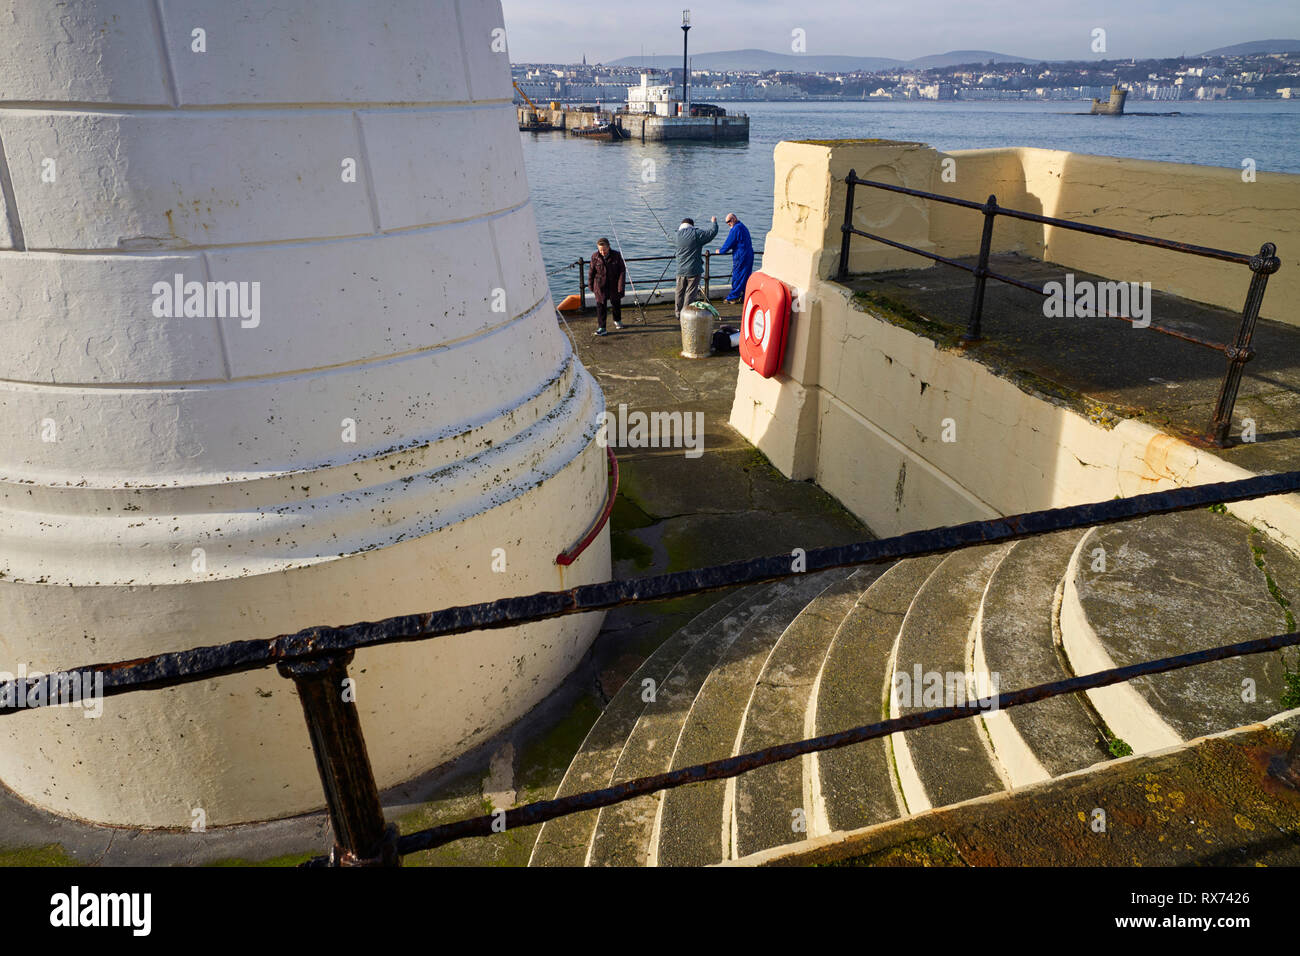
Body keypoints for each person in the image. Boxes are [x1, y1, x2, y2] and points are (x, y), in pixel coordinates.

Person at [674, 216, 718, 318]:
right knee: (690, 293)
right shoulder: (697, 234)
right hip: (694, 270)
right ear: (692, 226)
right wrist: (714, 223)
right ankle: (685, 313)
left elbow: (668, 237)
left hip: (680, 269)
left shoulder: (677, 235)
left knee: (679, 292)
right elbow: (712, 233)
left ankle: (677, 313)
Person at [588, 237, 625, 336]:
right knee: (600, 306)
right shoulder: (594, 257)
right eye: (600, 250)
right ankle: (602, 327)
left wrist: (620, 286)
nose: (602, 252)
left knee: (616, 303)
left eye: (604, 249)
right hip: (600, 286)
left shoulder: (616, 255)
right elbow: (591, 272)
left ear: (609, 247)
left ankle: (617, 320)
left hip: (614, 284)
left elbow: (622, 271)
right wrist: (591, 285)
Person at [716, 213, 754, 304]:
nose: (728, 224)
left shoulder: (736, 228)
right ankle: (745, 297)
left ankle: (733, 297)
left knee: (737, 276)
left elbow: (729, 242)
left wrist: (721, 251)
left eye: (729, 221)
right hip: (749, 254)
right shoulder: (743, 227)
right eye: (726, 222)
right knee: (746, 276)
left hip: (740, 255)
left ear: (733, 219)